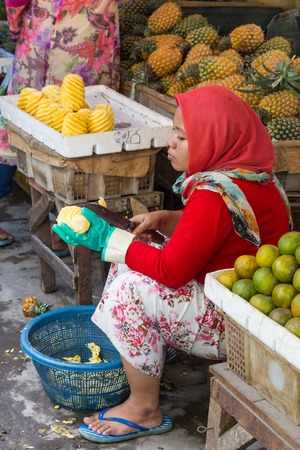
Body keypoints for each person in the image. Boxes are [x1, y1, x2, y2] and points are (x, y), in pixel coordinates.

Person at [53, 86, 291, 444]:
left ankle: (144, 410)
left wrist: (108, 241)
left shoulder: (214, 194)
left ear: (216, 141)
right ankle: (148, 358)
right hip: (245, 308)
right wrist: (169, 219)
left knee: (127, 291)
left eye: (182, 136)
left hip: (232, 330)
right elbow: (225, 229)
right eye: (173, 131)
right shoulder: (251, 175)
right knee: (133, 261)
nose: (171, 142)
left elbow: (172, 271)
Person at [0, 0, 120, 247]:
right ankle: (65, 231)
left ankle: (61, 228)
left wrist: (17, 25)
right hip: (91, 32)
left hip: (45, 31)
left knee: (23, 124)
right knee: (84, 128)